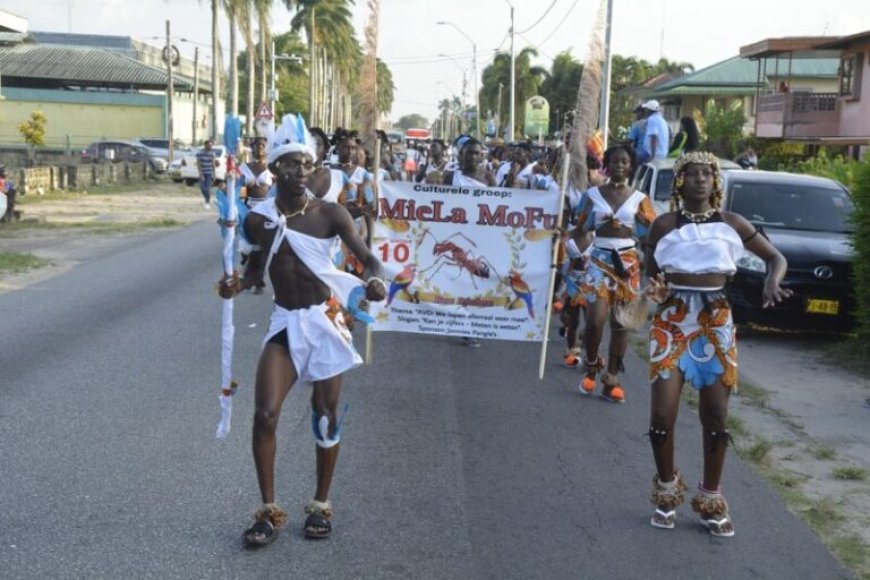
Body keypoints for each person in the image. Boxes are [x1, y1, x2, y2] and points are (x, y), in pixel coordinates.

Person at [226, 114, 387, 547]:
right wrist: (235, 284)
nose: (300, 172)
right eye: (290, 165)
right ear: (274, 169)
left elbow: (368, 259)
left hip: (325, 320)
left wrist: (373, 280)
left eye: (306, 164)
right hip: (285, 322)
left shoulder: (330, 215)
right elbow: (255, 272)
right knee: (265, 414)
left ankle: (320, 505)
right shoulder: (257, 221)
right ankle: (268, 511)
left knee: (325, 416)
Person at [644, 151, 791, 537]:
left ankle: (711, 497)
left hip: (716, 321)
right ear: (679, 182)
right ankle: (666, 489)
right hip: (672, 320)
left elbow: (776, 258)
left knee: (716, 418)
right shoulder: (662, 225)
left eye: (707, 174)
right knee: (661, 418)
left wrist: (771, 280)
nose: (700, 180)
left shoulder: (733, 223)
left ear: (715, 181)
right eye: (691, 174)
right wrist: (653, 289)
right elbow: (650, 273)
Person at [570, 143, 656, 403]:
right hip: (598, 260)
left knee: (621, 323)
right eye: (615, 161)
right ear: (607, 164)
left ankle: (612, 378)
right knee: (595, 319)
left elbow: (650, 234)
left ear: (631, 167)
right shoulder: (593, 195)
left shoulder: (640, 199)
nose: (620, 166)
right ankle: (592, 364)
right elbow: (579, 229)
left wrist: (631, 231)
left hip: (627, 264)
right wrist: (573, 252)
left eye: (625, 162)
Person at [442, 136, 496, 348]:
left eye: (477, 153)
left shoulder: (489, 179)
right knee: (456, 281)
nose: (473, 157)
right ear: (460, 155)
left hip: (481, 236)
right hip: (455, 235)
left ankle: (472, 324)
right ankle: (464, 326)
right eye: (469, 153)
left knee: (476, 281)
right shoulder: (449, 177)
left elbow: (499, 208)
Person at [196, 139, 219, 209]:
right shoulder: (200, 153)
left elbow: (213, 164)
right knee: (202, 188)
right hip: (202, 172)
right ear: (205, 145)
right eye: (209, 145)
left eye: (211, 145)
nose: (210, 147)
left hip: (209, 173)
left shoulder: (212, 153)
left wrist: (215, 174)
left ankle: (207, 202)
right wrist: (200, 173)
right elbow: (198, 164)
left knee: (207, 188)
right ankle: (207, 199)